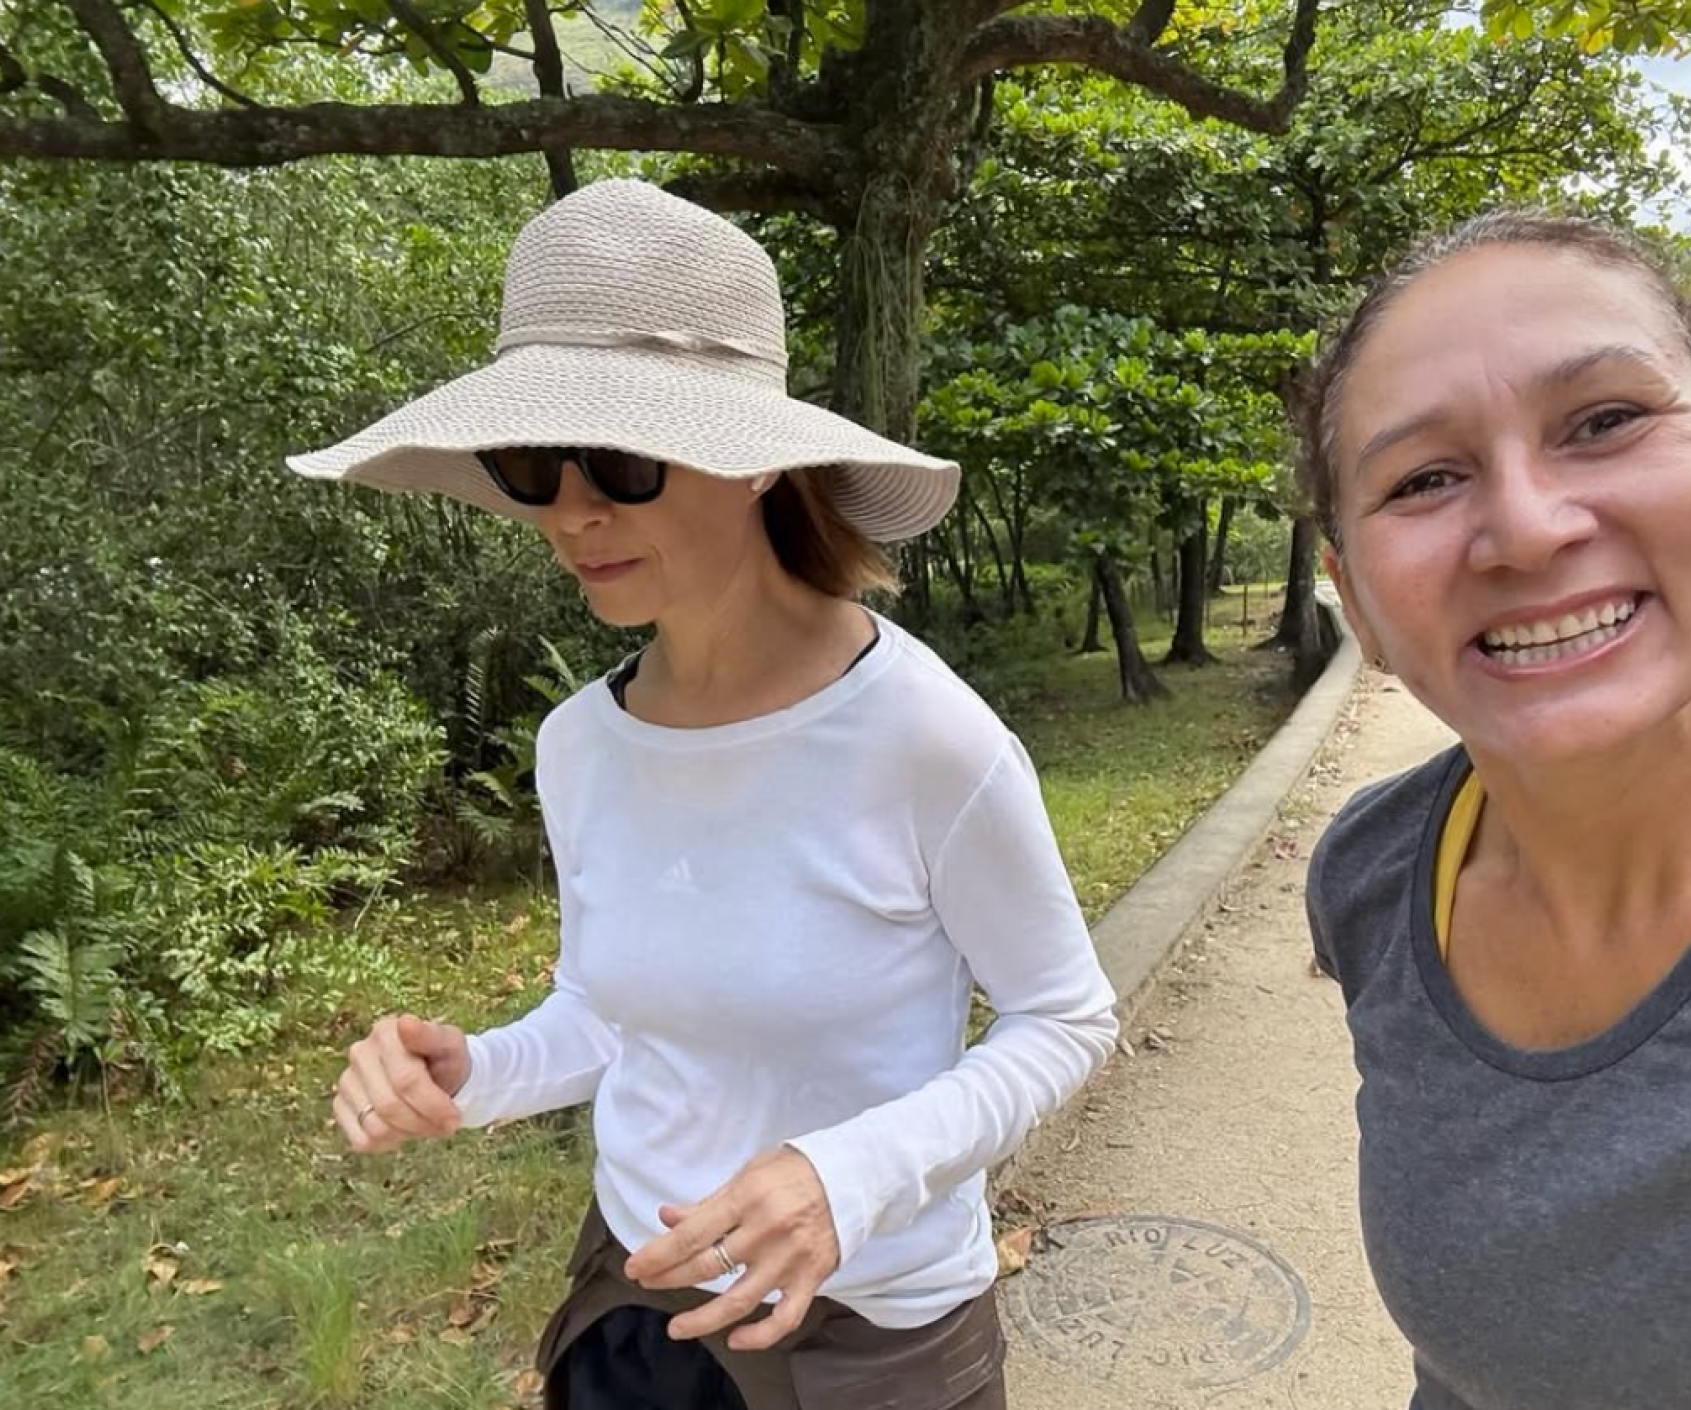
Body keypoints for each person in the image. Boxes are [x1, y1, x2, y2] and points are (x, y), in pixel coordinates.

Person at [291, 178, 1119, 1409]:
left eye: (621, 458)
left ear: (752, 465)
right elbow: (610, 1013)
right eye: (531, 463)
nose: (572, 512)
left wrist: (850, 1175)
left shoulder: (926, 738)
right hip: (634, 1307)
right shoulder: (580, 743)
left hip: (869, 1334)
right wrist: (480, 1072)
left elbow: (1066, 1018)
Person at [1295, 210, 1691, 1410]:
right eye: (1424, 479)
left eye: (1605, 422)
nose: (1526, 527)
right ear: (1354, 601)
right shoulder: (1373, 873)